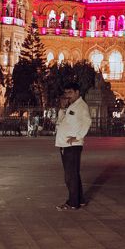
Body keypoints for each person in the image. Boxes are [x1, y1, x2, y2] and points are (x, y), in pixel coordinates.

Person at [54, 82, 92, 211]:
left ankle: (72, 203)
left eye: (70, 92)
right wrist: (62, 109)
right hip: (65, 144)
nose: (67, 95)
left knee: (70, 176)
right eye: (66, 93)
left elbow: (88, 121)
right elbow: (60, 123)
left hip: (72, 145)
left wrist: (78, 137)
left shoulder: (81, 106)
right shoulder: (72, 106)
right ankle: (80, 200)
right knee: (74, 174)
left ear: (77, 92)